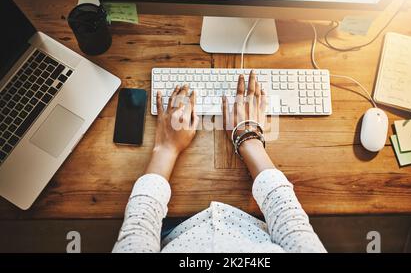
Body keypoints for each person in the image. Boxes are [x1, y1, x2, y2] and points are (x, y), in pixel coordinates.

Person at [112, 72, 326, 253]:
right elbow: (291, 224)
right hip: (255, 227)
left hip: (176, 233)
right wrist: (248, 139)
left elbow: (137, 231)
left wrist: (166, 149)